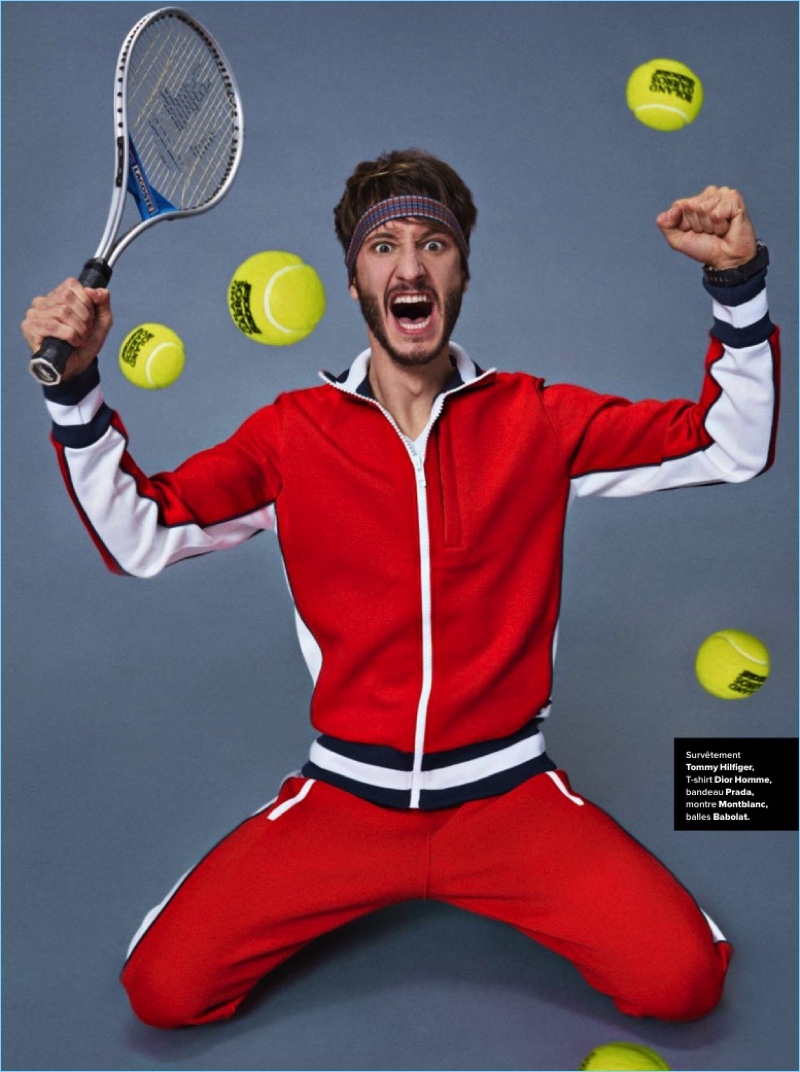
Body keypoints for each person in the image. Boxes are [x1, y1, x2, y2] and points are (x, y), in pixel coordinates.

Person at [22, 149, 779, 1030]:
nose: (410, 266)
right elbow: (140, 537)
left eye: (433, 244)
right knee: (161, 993)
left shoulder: (536, 419)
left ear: (460, 272)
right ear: (354, 282)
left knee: (682, 985)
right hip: (349, 802)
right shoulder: (290, 438)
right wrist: (74, 392)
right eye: (384, 247)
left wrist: (738, 284)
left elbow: (731, 443)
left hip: (508, 800)